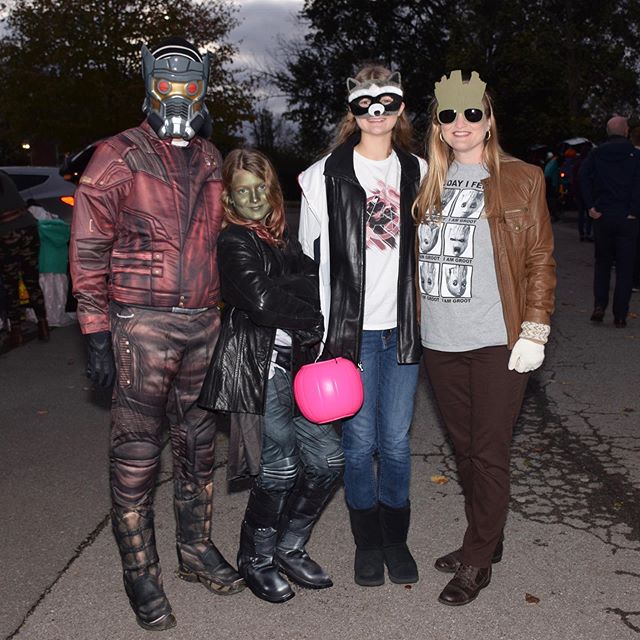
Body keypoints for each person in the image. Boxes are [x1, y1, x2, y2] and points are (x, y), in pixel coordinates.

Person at [69, 37, 244, 631]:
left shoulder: (211, 157)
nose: (177, 90)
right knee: (138, 454)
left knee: (198, 447)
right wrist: (95, 328)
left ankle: (194, 549)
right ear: (149, 81)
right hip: (140, 326)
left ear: (203, 86)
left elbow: (222, 236)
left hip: (204, 322)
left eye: (188, 80)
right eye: (166, 79)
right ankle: (140, 572)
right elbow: (89, 247)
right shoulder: (116, 156)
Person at [413, 69, 556, 606]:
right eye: (448, 114)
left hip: (498, 338)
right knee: (466, 450)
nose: (461, 123)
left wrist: (535, 329)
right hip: (440, 340)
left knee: (490, 452)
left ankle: (477, 560)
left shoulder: (523, 178)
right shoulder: (425, 178)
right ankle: (487, 539)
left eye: (472, 112)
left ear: (489, 119)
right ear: (437, 123)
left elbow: (540, 257)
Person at [298, 64, 426, 588]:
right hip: (349, 333)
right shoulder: (320, 175)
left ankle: (395, 538)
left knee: (394, 443)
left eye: (388, 101)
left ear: (401, 109)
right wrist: (314, 336)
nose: (376, 112)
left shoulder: (421, 170)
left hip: (403, 330)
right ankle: (366, 543)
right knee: (359, 443)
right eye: (364, 103)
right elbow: (308, 260)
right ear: (352, 111)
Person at [199, 149, 344, 603]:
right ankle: (255, 559)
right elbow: (261, 302)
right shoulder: (234, 242)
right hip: (259, 369)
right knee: (278, 469)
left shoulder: (282, 241)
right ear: (230, 199)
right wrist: (300, 299)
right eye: (243, 190)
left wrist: (290, 291)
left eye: (261, 187)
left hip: (299, 366)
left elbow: (315, 282)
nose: (254, 197)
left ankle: (289, 546)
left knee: (327, 462)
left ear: (273, 191)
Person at [579, 116, 640, 328]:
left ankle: (599, 305)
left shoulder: (597, 154)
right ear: (625, 132)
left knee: (603, 263)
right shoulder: (635, 155)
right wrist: (634, 210)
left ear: (607, 132)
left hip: (603, 216)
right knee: (625, 268)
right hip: (627, 218)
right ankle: (620, 314)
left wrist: (590, 206)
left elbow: (583, 177)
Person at [0, 170, 49, 347]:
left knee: (10, 283)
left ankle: (16, 332)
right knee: (31, 278)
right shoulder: (4, 175)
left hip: (7, 232)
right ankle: (43, 323)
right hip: (28, 227)